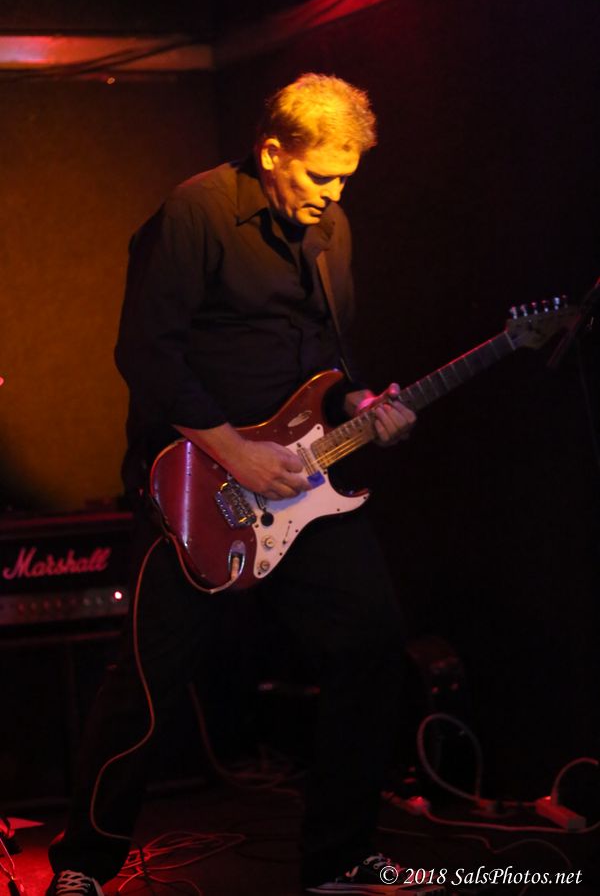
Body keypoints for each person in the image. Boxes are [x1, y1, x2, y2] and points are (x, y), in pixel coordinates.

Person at [47, 73, 420, 895]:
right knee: (147, 682)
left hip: (303, 483)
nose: (332, 194)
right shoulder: (198, 212)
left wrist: (361, 404)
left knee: (371, 644)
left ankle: (339, 862)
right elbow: (146, 353)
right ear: (272, 151)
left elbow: (328, 359)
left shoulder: (333, 231)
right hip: (197, 482)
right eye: (318, 175)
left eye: (345, 179)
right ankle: (81, 866)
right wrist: (235, 451)